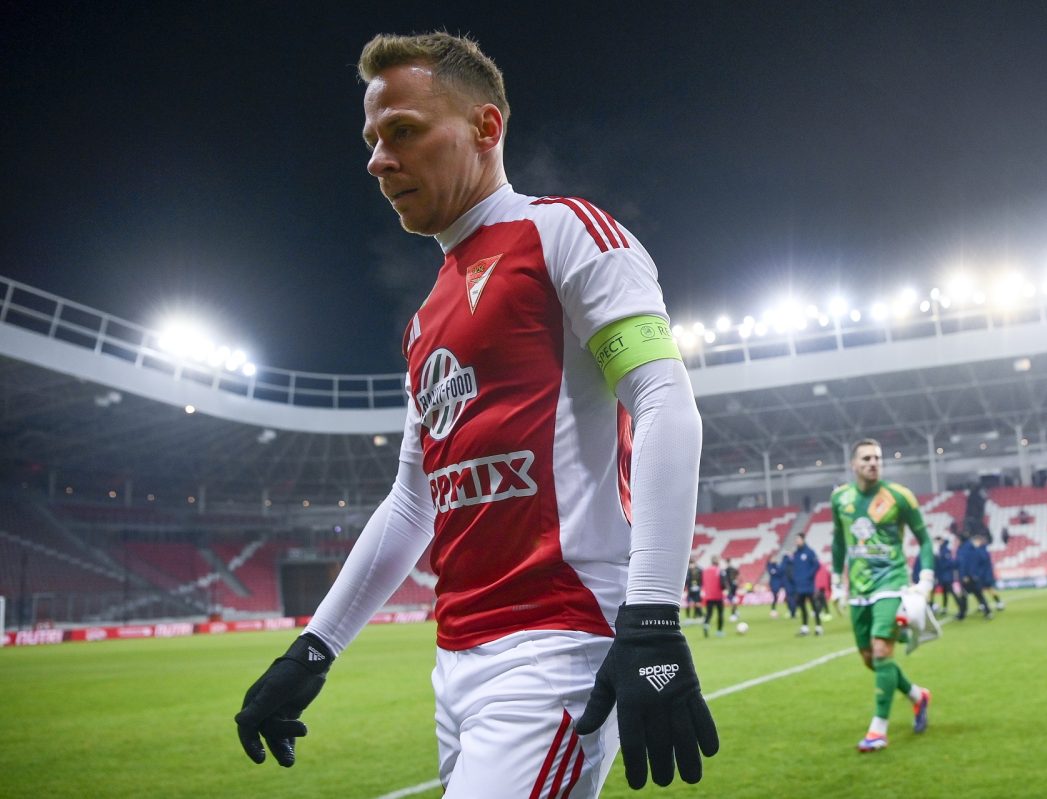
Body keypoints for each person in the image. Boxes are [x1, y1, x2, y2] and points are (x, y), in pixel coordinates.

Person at [233, 32, 717, 796]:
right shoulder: (425, 319)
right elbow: (413, 501)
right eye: (371, 140)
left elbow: (663, 398)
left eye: (403, 131)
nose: (379, 160)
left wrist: (653, 616)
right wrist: (313, 648)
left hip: (555, 644)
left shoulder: (565, 234)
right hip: (455, 660)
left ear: (486, 127)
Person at [830, 439, 934, 753]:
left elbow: (924, 539)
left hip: (891, 582)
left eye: (877, 457)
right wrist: (836, 582)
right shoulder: (840, 498)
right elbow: (839, 542)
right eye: (866, 458)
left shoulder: (899, 496)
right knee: (869, 658)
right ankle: (917, 696)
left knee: (881, 650)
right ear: (853, 464)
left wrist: (926, 579)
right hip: (858, 587)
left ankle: (878, 730)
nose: (873, 462)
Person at [790, 534, 821, 635]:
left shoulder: (809, 552)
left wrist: (809, 575)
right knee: (802, 606)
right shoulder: (796, 554)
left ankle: (818, 627)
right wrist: (796, 578)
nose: (796, 541)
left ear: (803, 540)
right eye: (796, 539)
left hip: (808, 585)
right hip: (799, 586)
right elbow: (794, 568)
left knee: (814, 606)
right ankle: (805, 628)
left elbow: (817, 565)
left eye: (798, 539)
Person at [956, 534, 992, 620]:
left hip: (968, 577)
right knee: (977, 595)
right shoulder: (973, 549)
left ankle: (962, 614)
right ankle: (987, 612)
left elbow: (965, 564)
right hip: (974, 576)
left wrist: (965, 575)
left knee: (966, 595)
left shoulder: (965, 550)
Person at [932, 535, 965, 619]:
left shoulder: (945, 550)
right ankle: (945, 608)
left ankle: (961, 610)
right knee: (945, 593)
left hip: (946, 577)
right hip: (942, 576)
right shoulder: (940, 550)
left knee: (952, 593)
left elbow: (948, 563)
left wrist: (938, 560)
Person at [976, 533, 1004, 611]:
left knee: (989, 589)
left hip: (985, 575)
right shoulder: (983, 550)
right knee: (981, 590)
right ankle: (983, 604)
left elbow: (982, 564)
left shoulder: (981, 551)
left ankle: (998, 602)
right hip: (984, 574)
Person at [701, 555, 727, 637]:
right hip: (718, 595)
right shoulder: (720, 570)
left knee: (709, 613)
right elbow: (723, 583)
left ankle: (706, 625)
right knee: (720, 613)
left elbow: (702, 582)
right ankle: (719, 631)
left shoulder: (705, 571)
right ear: (717, 561)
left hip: (708, 596)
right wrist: (725, 589)